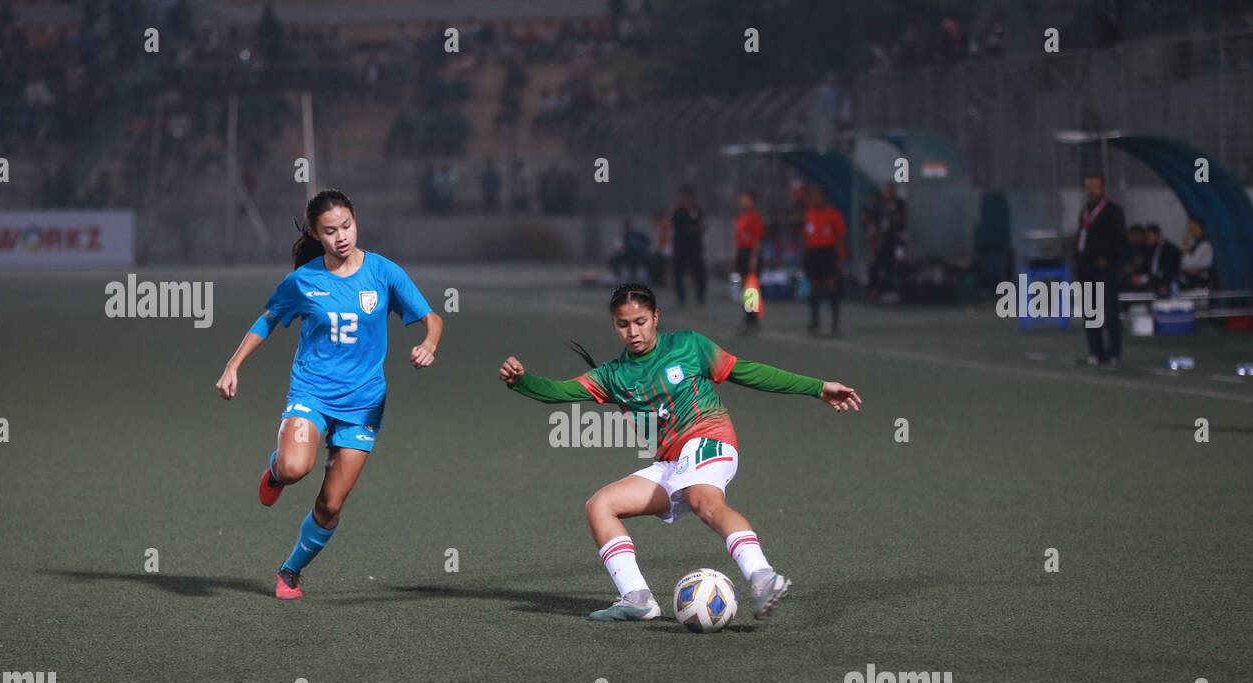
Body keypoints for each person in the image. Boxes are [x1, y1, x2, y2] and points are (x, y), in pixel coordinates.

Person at [498, 282, 862, 622]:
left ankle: (763, 576)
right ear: (614, 326)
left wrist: (817, 388)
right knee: (601, 506)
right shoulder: (613, 375)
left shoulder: (689, 345)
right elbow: (559, 392)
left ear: (656, 317)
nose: (633, 332)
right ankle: (637, 599)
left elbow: (747, 371)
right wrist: (522, 382)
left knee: (704, 500)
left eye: (640, 321)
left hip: (710, 441)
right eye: (623, 325)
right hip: (673, 462)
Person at [214, 189, 444, 598]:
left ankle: (289, 572)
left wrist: (429, 343)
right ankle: (276, 470)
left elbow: (432, 319)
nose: (341, 236)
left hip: (364, 404)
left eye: (347, 226)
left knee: (330, 505)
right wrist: (233, 366)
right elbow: (267, 321)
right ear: (316, 235)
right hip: (313, 393)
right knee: (294, 468)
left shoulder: (383, 272)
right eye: (330, 231)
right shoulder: (304, 281)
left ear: (356, 219)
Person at [1074, 174, 1126, 367]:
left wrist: (1108, 259)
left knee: (1110, 311)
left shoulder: (1113, 211)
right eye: (1088, 186)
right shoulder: (1085, 211)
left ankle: (1114, 353)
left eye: (1095, 186)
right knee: (1090, 312)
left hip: (1105, 269)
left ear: (1103, 188)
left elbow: (1120, 239)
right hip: (1086, 267)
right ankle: (1096, 352)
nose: (1091, 190)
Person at [802, 185, 846, 333]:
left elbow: (839, 238)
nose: (816, 200)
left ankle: (835, 322)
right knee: (814, 286)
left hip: (828, 253)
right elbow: (806, 236)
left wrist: (839, 259)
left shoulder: (833, 214)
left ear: (824, 198)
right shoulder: (809, 214)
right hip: (813, 253)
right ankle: (814, 321)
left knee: (831, 285)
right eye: (814, 197)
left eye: (819, 197)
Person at [670, 185, 707, 307]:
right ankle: (681, 298)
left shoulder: (696, 210)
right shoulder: (677, 210)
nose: (685, 199)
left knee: (699, 273)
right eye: (683, 196)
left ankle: (700, 297)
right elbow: (669, 223)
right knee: (677, 273)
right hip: (680, 247)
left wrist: (694, 228)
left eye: (688, 196)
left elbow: (703, 226)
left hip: (694, 247)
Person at [733, 189, 765, 330]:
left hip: (751, 253)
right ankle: (748, 316)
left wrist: (753, 258)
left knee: (751, 288)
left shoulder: (755, 218)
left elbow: (757, 239)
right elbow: (738, 240)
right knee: (745, 288)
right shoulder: (740, 217)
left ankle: (752, 318)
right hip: (742, 253)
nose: (743, 201)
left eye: (746, 198)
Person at [1179, 216, 1216, 290]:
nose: (1191, 231)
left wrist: (1185, 248)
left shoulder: (1205, 244)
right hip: (1190, 280)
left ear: (1201, 229)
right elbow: (1183, 263)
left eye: (1194, 228)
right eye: (1190, 229)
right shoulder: (1192, 242)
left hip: (1201, 282)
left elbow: (1192, 263)